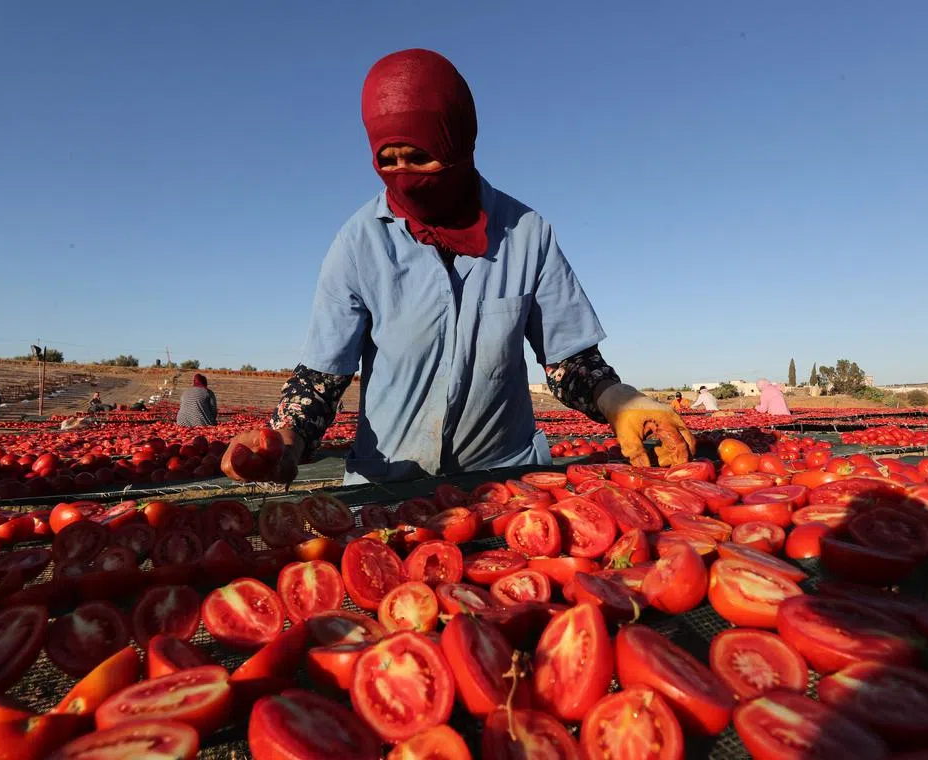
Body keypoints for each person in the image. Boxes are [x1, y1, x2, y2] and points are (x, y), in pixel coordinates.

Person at [222, 49, 694, 485]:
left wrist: (620, 402)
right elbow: (323, 377)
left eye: (420, 157)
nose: (405, 175)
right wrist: (285, 435)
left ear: (459, 141)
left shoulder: (526, 235)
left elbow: (570, 361)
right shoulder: (359, 243)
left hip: (506, 485)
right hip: (387, 485)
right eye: (389, 161)